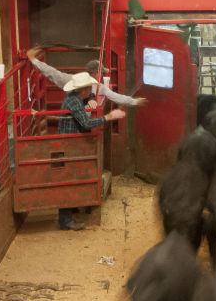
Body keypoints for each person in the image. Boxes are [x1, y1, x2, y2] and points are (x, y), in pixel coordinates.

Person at [56, 72, 126, 231]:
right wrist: (108, 117)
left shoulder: (74, 99)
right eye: (88, 89)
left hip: (68, 145)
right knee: (68, 181)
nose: (90, 91)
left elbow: (84, 113)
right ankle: (65, 220)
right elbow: (87, 123)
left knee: (69, 179)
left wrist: (90, 100)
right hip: (69, 147)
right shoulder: (74, 102)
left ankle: (70, 212)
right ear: (83, 90)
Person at [26, 48, 147, 109]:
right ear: (95, 73)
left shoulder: (73, 79)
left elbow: (52, 73)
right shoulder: (99, 87)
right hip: (82, 122)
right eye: (101, 73)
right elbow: (117, 98)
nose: (102, 76)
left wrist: (33, 60)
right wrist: (134, 102)